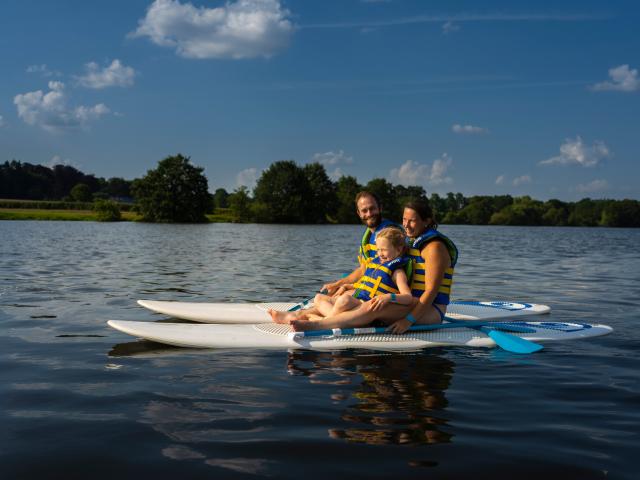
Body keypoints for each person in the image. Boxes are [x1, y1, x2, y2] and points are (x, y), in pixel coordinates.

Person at [290, 199, 458, 334]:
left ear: (427, 221)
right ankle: (311, 316)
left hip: (431, 310)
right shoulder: (413, 242)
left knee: (375, 306)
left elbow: (431, 292)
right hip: (411, 303)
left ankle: (318, 325)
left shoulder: (435, 248)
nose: (406, 225)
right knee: (358, 298)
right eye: (404, 219)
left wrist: (408, 321)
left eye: (412, 220)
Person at [269, 227, 413, 329]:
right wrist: (346, 286)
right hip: (359, 298)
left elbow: (408, 297)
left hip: (366, 308)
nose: (380, 254)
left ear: (398, 250)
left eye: (384, 250)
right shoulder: (376, 264)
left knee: (344, 300)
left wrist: (388, 298)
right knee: (319, 298)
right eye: (378, 250)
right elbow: (366, 284)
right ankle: (321, 319)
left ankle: (317, 322)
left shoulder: (397, 272)